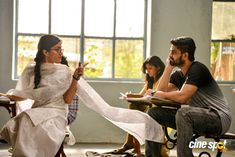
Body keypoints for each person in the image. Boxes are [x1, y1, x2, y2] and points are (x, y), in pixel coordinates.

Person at [0, 34, 86, 157]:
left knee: (29, 119)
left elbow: (67, 100)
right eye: (57, 49)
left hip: (57, 113)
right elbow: (21, 95)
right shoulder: (30, 70)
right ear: (45, 52)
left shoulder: (65, 71)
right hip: (38, 111)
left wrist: (75, 78)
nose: (61, 53)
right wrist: (2, 95)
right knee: (24, 118)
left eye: (61, 49)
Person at [145, 36, 231, 157]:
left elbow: (182, 97)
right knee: (153, 113)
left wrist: (161, 94)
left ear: (185, 55)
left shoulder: (198, 69)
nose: (170, 55)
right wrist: (168, 68)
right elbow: (160, 92)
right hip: (194, 117)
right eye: (170, 52)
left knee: (183, 113)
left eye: (174, 52)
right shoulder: (178, 75)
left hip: (218, 118)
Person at [113, 56, 165, 157]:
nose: (147, 71)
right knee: (133, 106)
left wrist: (134, 96)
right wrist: (131, 95)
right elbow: (143, 96)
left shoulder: (162, 80)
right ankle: (132, 145)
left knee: (135, 111)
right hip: (148, 106)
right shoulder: (150, 81)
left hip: (156, 109)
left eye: (150, 68)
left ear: (158, 68)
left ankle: (132, 145)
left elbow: (154, 97)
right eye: (146, 68)